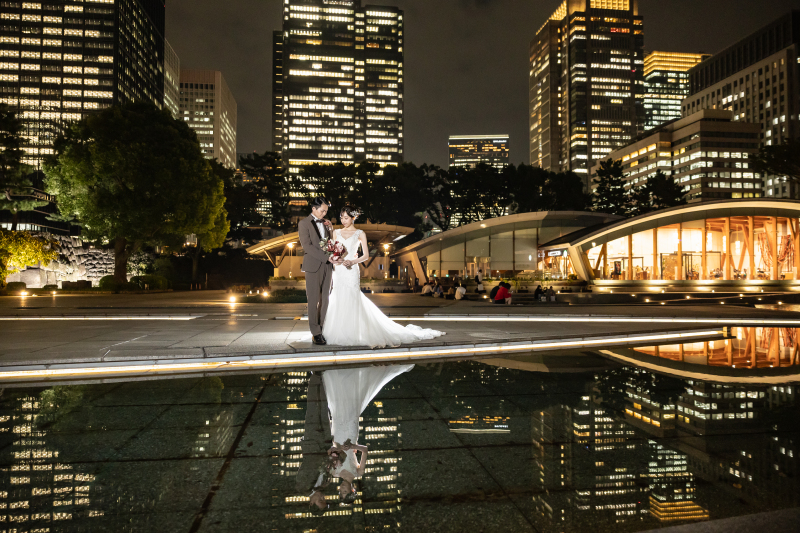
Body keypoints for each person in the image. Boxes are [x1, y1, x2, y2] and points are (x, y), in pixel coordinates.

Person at [321, 206, 444, 348]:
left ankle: (354, 332)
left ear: (353, 218)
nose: (343, 220)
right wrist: (336, 260)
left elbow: (366, 255)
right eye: (341, 217)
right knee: (337, 296)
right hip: (339, 270)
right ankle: (335, 331)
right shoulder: (336, 233)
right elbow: (332, 252)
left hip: (352, 270)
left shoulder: (360, 233)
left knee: (352, 297)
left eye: (346, 217)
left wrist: (353, 261)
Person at [324, 365, 413, 503]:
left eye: (340, 491)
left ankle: (336, 370)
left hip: (338, 435)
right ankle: (351, 373)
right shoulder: (358, 473)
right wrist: (353, 445)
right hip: (350, 436)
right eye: (345, 491)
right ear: (353, 489)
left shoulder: (333, 473)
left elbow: (328, 451)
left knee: (336, 410)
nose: (341, 488)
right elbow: (365, 450)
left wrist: (339, 448)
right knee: (352, 408)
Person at [298, 196, 341, 346]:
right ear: (313, 209)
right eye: (322, 211)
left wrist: (335, 254)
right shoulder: (303, 224)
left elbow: (330, 243)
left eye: (326, 211)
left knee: (325, 299)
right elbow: (307, 246)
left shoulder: (326, 223)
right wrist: (327, 258)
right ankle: (315, 332)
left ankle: (322, 329)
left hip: (328, 266)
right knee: (313, 300)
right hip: (313, 265)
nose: (324, 214)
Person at [296, 372, 333, 513]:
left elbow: (309, 465)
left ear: (311, 504)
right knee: (324, 408)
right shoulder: (325, 484)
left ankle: (314, 377)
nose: (323, 497)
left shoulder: (302, 487)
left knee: (312, 407)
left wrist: (327, 459)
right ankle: (323, 379)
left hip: (313, 441)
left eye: (320, 501)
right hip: (325, 441)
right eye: (325, 499)